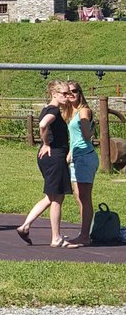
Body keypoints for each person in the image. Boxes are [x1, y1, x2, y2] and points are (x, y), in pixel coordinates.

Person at [16, 81, 75, 247]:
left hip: (50, 156)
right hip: (54, 156)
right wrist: (46, 142)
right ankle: (56, 238)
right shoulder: (54, 110)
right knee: (57, 197)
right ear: (54, 94)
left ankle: (25, 226)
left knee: (51, 196)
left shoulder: (47, 109)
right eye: (64, 94)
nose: (67, 96)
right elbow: (43, 124)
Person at [62, 81, 97, 245]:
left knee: (84, 197)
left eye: (74, 91)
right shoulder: (71, 111)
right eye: (68, 92)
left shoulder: (83, 110)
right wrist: (69, 155)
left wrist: (91, 129)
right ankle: (85, 231)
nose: (71, 94)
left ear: (80, 92)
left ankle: (85, 236)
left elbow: (85, 134)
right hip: (76, 157)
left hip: (85, 157)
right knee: (78, 196)